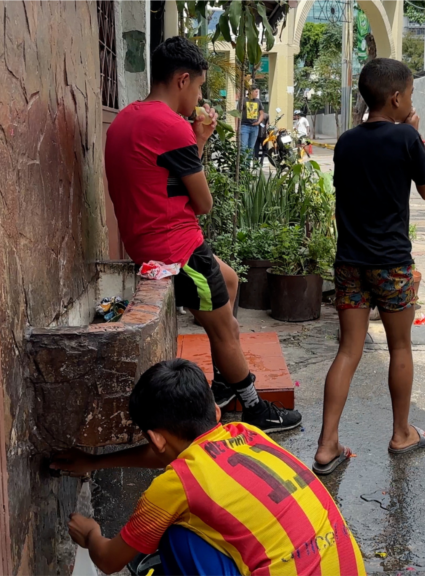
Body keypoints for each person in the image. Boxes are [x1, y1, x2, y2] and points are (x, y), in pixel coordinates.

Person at [105, 37, 301, 433]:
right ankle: (253, 407)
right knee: (225, 327)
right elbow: (204, 201)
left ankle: (225, 384)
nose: (198, 97)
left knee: (229, 281)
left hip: (146, 238)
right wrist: (194, 139)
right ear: (181, 80)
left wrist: (198, 139)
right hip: (175, 247)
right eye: (198, 87)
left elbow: (164, 181)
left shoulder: (126, 118)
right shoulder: (171, 126)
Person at [54, 359, 367, 576]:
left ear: (155, 438)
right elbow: (175, 453)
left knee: (175, 535)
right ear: (216, 411)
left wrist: (92, 534)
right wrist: (95, 462)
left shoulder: (177, 483)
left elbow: (109, 561)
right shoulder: (247, 434)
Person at [313, 58, 425, 476]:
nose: (411, 103)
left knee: (348, 349)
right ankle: (401, 433)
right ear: (397, 97)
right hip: (391, 265)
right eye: (411, 95)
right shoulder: (406, 138)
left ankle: (327, 444)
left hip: (350, 262)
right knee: (400, 347)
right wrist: (416, 137)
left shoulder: (346, 142)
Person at [240, 87, 266, 159]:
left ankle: (247, 167)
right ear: (251, 92)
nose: (257, 94)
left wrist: (258, 122)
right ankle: (243, 166)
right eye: (256, 92)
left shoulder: (258, 101)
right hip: (244, 126)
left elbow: (262, 114)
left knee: (251, 148)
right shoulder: (244, 100)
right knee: (243, 147)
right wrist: (236, 126)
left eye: (257, 92)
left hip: (255, 127)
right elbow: (238, 113)